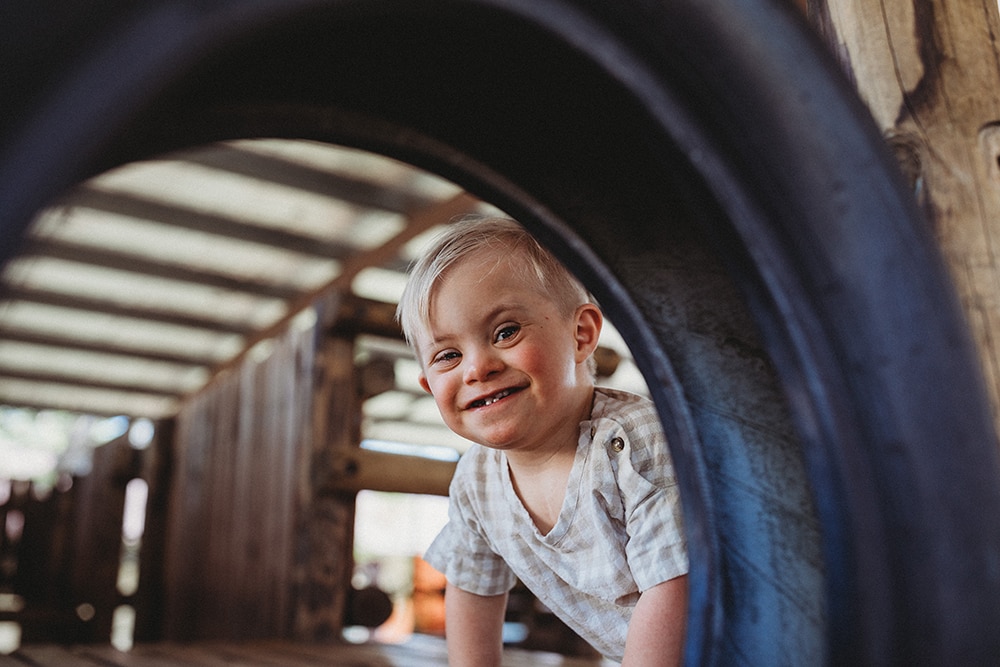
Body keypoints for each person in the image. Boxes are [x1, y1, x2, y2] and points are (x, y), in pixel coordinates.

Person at [396, 215, 688, 666]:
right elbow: (472, 585)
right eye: (448, 355)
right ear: (428, 384)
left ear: (582, 334)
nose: (477, 368)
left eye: (505, 332)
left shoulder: (633, 443)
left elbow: (675, 587)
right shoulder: (477, 479)